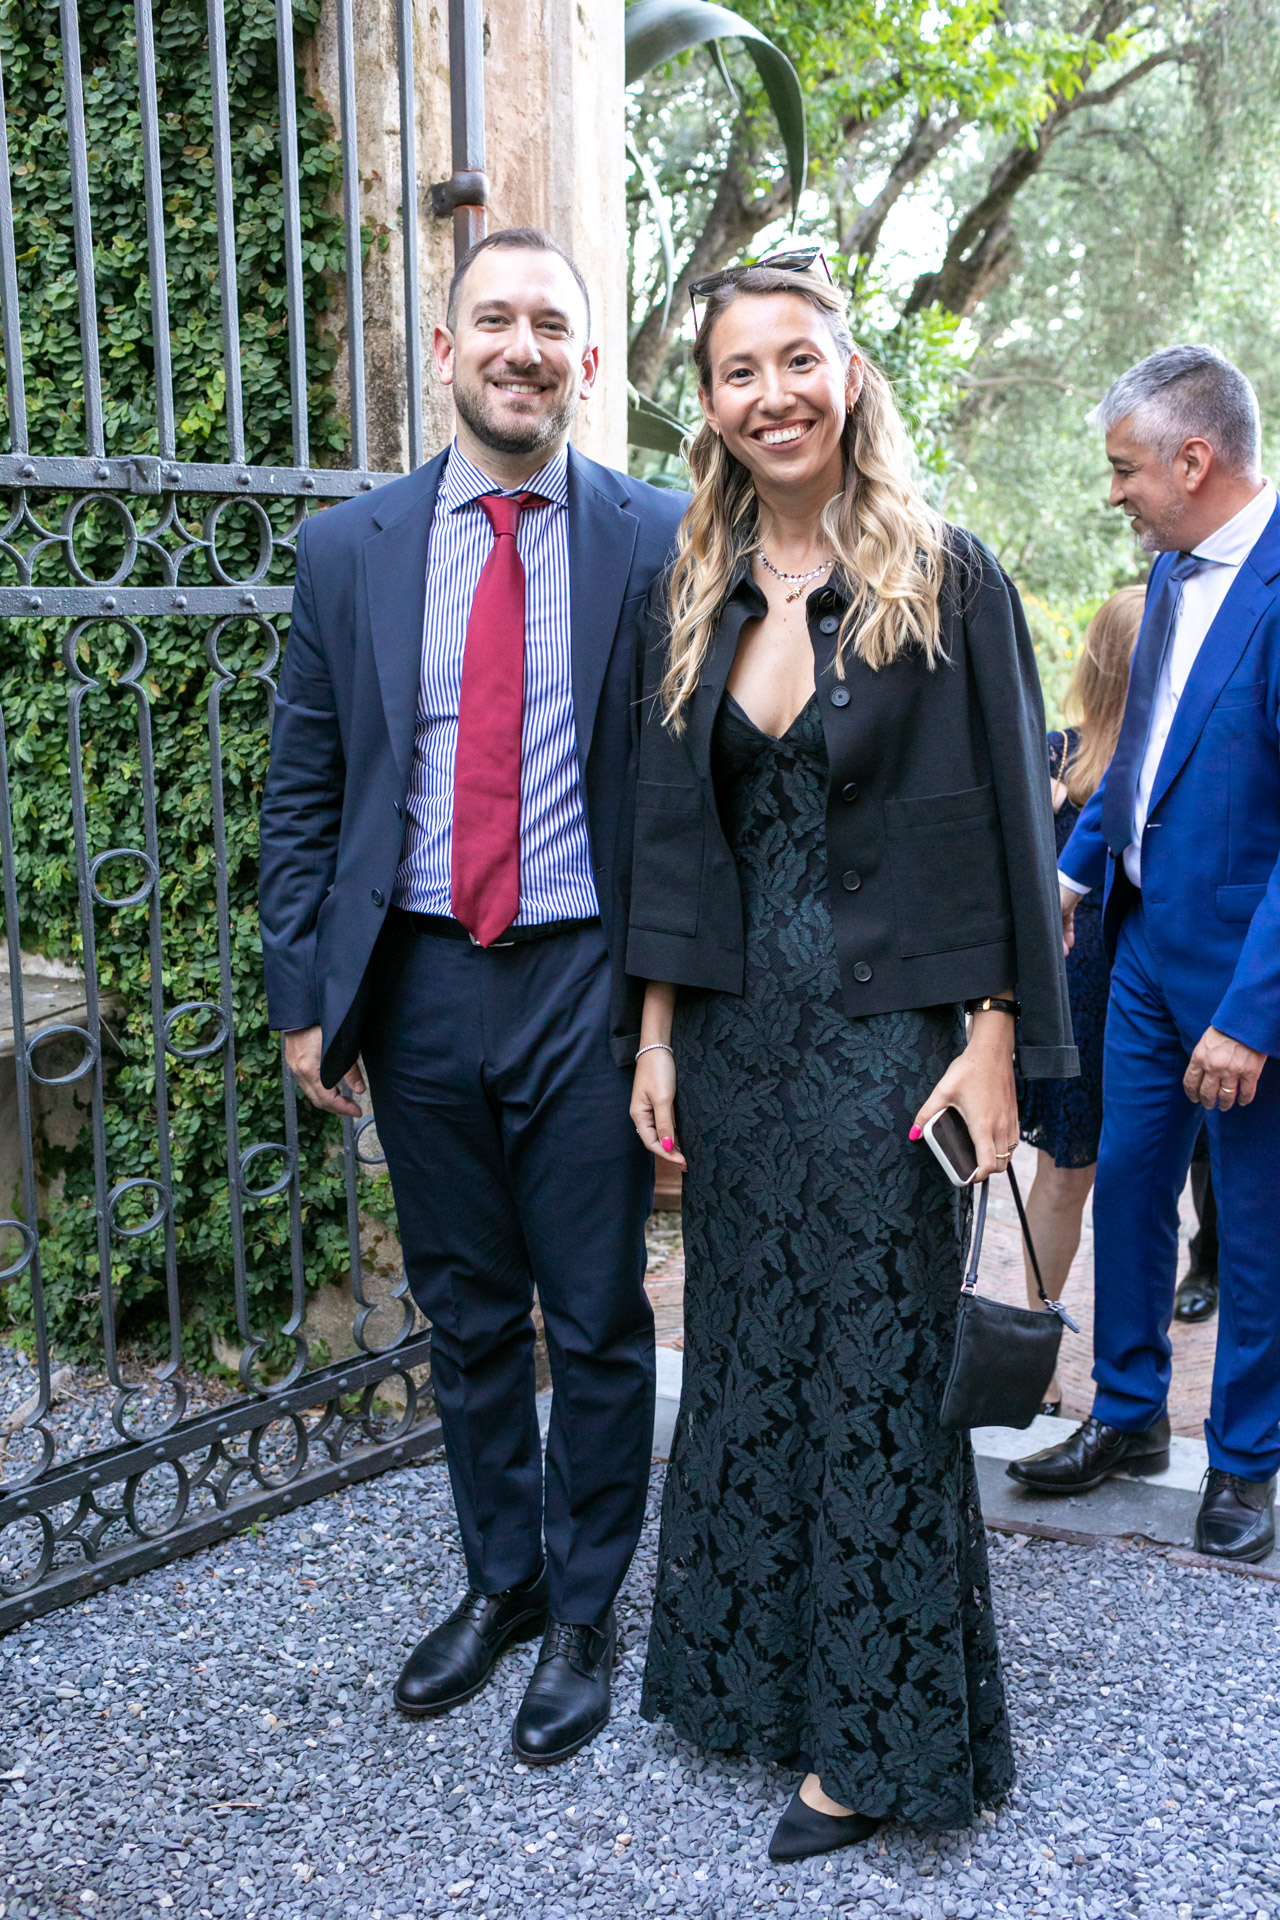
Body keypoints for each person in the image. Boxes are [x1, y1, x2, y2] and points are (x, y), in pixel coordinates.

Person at [625, 256, 1075, 1863]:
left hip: (892, 1050)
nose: (775, 394)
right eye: (739, 371)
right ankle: (753, 1686)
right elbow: (671, 837)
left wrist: (998, 1039)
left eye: (798, 359)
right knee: (748, 1364)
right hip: (736, 1045)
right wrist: (656, 1036)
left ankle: (884, 1745)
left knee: (880, 1377)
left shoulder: (947, 576)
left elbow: (1014, 831)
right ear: (710, 406)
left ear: (851, 373)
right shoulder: (691, 588)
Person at [258, 228, 686, 1762]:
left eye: (550, 325)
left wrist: (678, 1015)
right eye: (492, 320)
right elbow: (305, 791)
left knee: (597, 1312)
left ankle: (586, 1611)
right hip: (421, 979)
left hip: (586, 980)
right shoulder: (348, 552)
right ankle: (503, 1583)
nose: (521, 347)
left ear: (587, 361)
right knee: (465, 1311)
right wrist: (305, 998)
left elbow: (696, 796)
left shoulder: (661, 535)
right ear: (444, 352)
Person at [1008, 345, 1280, 1565]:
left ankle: (1244, 1458)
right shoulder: (1170, 571)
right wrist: (1070, 877)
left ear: (1193, 460)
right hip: (1135, 954)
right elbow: (1142, 759)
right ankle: (1125, 1416)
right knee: (1123, 1188)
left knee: (1255, 1227)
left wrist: (1252, 1016)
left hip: (1240, 979)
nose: (1113, 491)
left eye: (1124, 469)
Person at [1018, 586, 1144, 1409]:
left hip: (1150, 992)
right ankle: (1035, 1349)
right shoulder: (1054, 759)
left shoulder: (1176, 762)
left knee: (1145, 1182)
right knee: (1067, 1174)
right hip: (1076, 997)